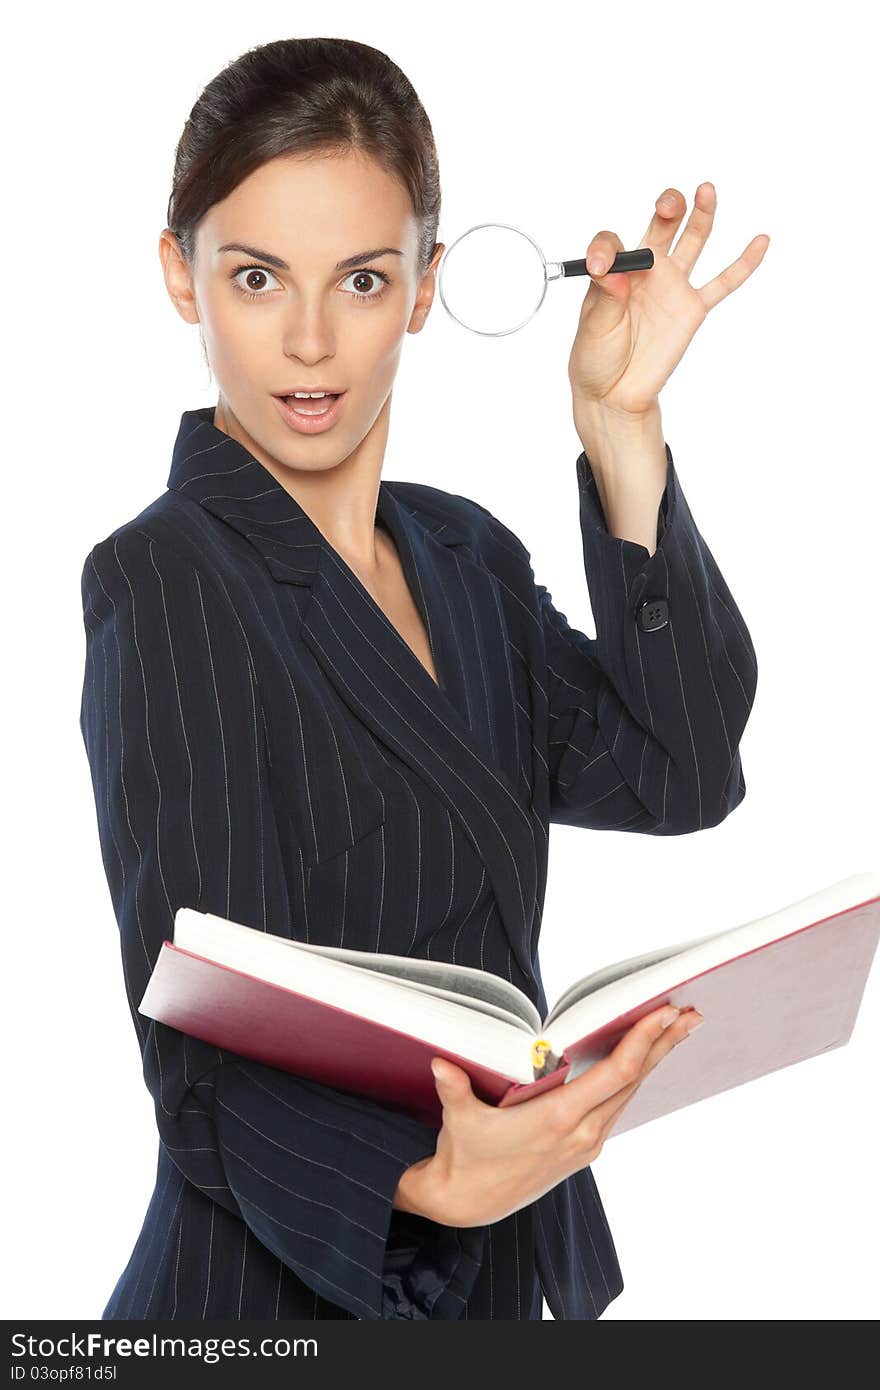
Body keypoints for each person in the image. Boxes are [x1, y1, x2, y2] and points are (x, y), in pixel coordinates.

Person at [78, 36, 765, 1321]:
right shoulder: (164, 578)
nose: (307, 338)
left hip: (494, 1271)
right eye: (254, 276)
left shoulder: (461, 552)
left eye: (360, 277)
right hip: (278, 1289)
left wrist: (622, 431)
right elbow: (195, 1036)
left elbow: (681, 772)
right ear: (181, 276)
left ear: (424, 288)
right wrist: (427, 1174)